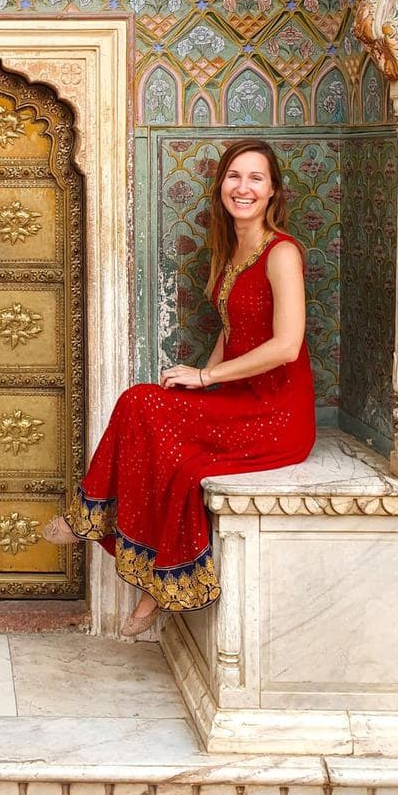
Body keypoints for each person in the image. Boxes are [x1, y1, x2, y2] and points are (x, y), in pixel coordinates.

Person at [43, 139, 316, 635]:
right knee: (149, 414)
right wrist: (202, 388)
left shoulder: (282, 253)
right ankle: (150, 575)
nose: (243, 187)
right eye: (234, 176)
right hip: (239, 399)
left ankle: (101, 530)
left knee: (164, 433)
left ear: (273, 191)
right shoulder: (231, 250)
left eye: (256, 178)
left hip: (278, 414)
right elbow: (231, 331)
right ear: (220, 188)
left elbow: (286, 346)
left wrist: (206, 377)